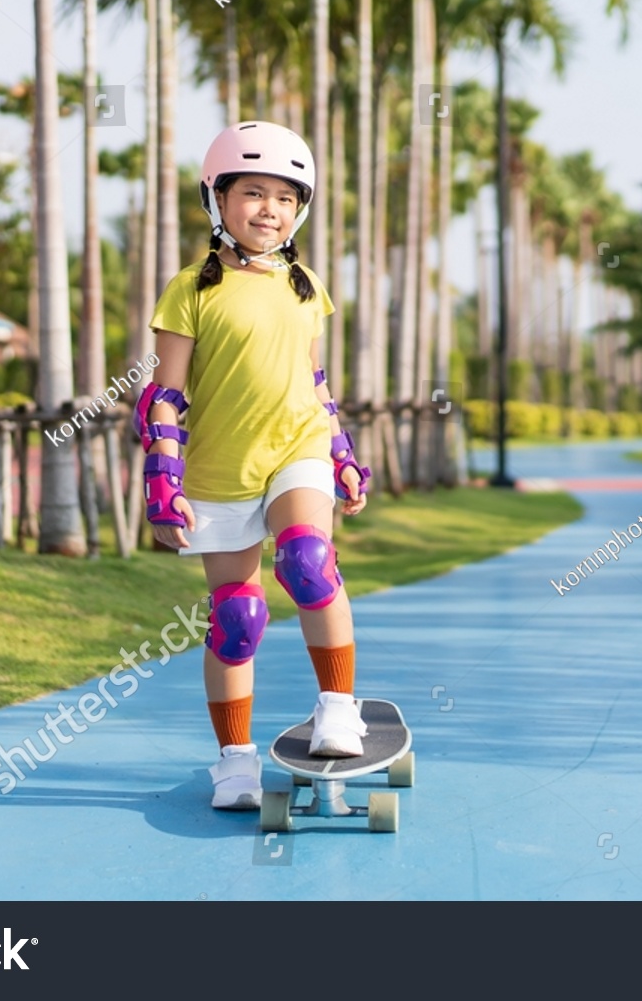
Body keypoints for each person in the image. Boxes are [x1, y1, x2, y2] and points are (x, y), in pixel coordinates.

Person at [135, 122, 372, 810]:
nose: (269, 208)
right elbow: (165, 396)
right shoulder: (190, 289)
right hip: (220, 465)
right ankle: (235, 760)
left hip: (295, 448)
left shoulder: (305, 284)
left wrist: (340, 451)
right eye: (253, 193)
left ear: (301, 209)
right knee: (237, 617)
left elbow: (314, 381)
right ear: (218, 198)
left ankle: (337, 707)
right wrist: (164, 482)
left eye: (285, 198)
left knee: (307, 562)